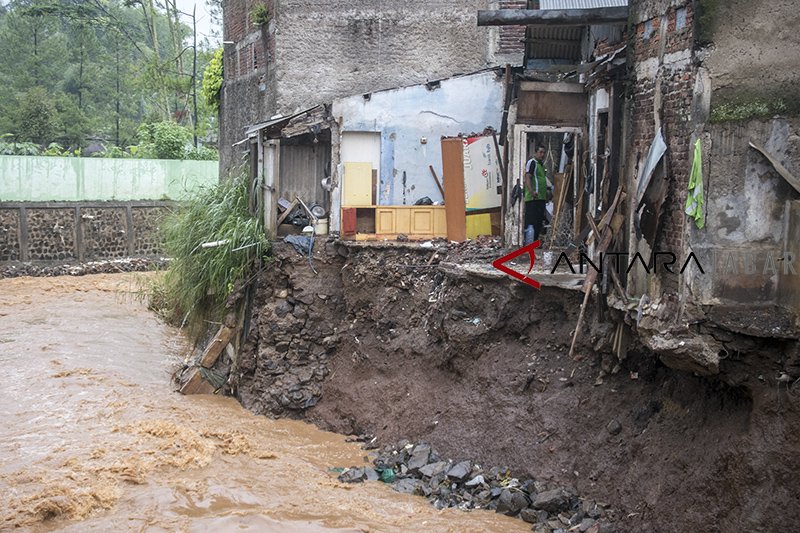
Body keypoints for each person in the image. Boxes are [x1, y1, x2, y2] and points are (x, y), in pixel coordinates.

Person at [524, 144, 550, 244]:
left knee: (538, 221)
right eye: (540, 152)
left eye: (544, 152)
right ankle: (528, 242)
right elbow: (528, 177)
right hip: (533, 198)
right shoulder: (532, 163)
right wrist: (531, 191)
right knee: (531, 221)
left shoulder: (541, 165)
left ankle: (534, 241)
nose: (542, 155)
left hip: (541, 198)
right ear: (535, 153)